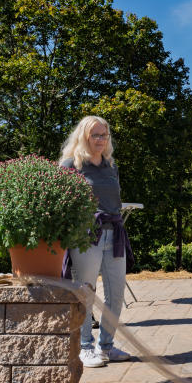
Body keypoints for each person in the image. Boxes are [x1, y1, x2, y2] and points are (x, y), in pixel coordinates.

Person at [60, 116, 132, 368]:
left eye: (104, 135)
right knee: (86, 292)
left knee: (116, 293)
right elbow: (60, 203)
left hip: (115, 234)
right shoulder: (71, 165)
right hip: (86, 236)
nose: (101, 140)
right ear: (83, 137)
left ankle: (107, 346)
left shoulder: (111, 165)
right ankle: (85, 347)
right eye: (95, 135)